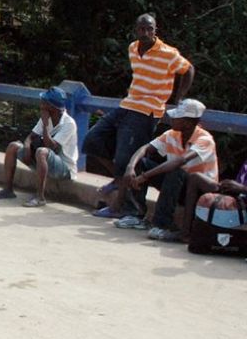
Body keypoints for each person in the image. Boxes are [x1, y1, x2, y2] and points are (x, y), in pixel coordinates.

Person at [83, 14, 195, 218]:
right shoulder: (133, 48)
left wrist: (178, 99)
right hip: (127, 105)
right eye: (141, 29)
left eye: (149, 29)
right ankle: (119, 179)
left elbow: (188, 70)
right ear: (136, 29)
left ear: (155, 30)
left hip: (147, 111)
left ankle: (126, 207)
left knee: (127, 158)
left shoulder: (168, 53)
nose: (144, 33)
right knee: (93, 140)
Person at [113, 99, 218, 242]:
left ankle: (162, 224)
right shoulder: (171, 134)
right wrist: (130, 167)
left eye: (177, 118)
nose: (172, 119)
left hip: (197, 190)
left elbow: (179, 162)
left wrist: (145, 176)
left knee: (176, 170)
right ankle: (135, 214)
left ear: (187, 123)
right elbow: (145, 148)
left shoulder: (205, 139)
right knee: (140, 163)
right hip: (177, 183)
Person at [0, 87, 79, 207]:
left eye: (44, 102)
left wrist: (46, 125)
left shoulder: (69, 124)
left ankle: (40, 197)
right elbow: (30, 137)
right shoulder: (45, 117)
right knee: (13, 146)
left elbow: (51, 147)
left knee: (42, 151)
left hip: (64, 168)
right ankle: (8, 190)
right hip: (44, 160)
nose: (41, 104)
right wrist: (26, 147)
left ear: (51, 107)